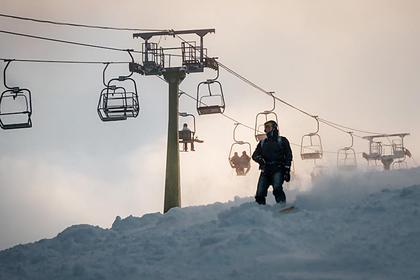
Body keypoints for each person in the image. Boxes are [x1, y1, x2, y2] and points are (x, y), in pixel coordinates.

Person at [252, 120, 293, 205]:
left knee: (277, 189)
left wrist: (287, 169)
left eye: (268, 127)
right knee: (260, 193)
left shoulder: (282, 140)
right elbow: (254, 155)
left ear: (274, 128)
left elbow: (288, 155)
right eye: (265, 127)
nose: (265, 129)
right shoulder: (263, 142)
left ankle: (282, 206)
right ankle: (260, 209)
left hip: (277, 169)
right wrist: (260, 160)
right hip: (265, 170)